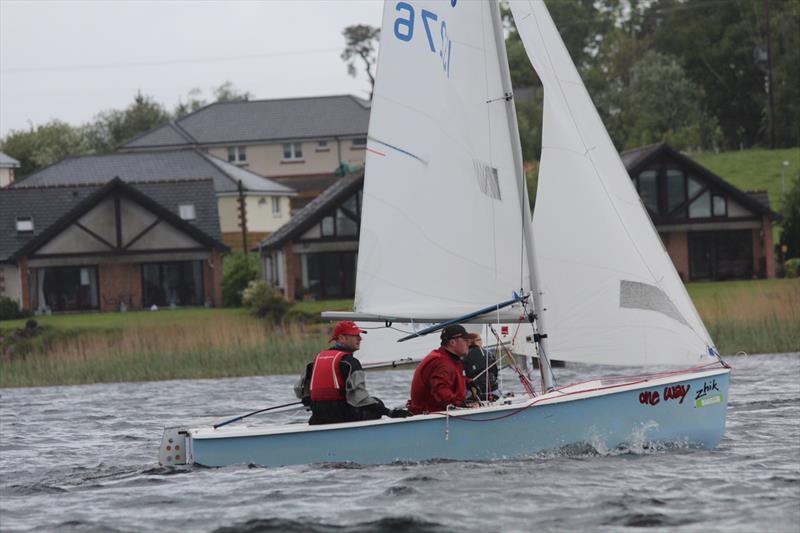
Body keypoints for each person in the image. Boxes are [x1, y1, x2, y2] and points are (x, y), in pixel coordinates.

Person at [294, 320, 410, 425]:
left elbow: (300, 392)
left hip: (317, 420)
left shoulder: (315, 361)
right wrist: (389, 413)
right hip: (345, 419)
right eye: (355, 336)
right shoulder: (350, 363)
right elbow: (360, 399)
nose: (360, 339)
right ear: (341, 338)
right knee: (377, 402)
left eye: (359, 335)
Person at [408, 324, 474, 415]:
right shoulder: (443, 363)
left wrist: (467, 382)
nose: (468, 343)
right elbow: (441, 392)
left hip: (428, 412)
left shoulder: (444, 357)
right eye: (465, 340)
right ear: (452, 342)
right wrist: (463, 405)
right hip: (431, 417)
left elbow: (448, 378)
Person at [463, 333, 500, 401]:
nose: (481, 341)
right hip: (492, 389)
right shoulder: (488, 353)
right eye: (478, 340)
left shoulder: (464, 355)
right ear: (471, 341)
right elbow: (495, 371)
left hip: (475, 391)